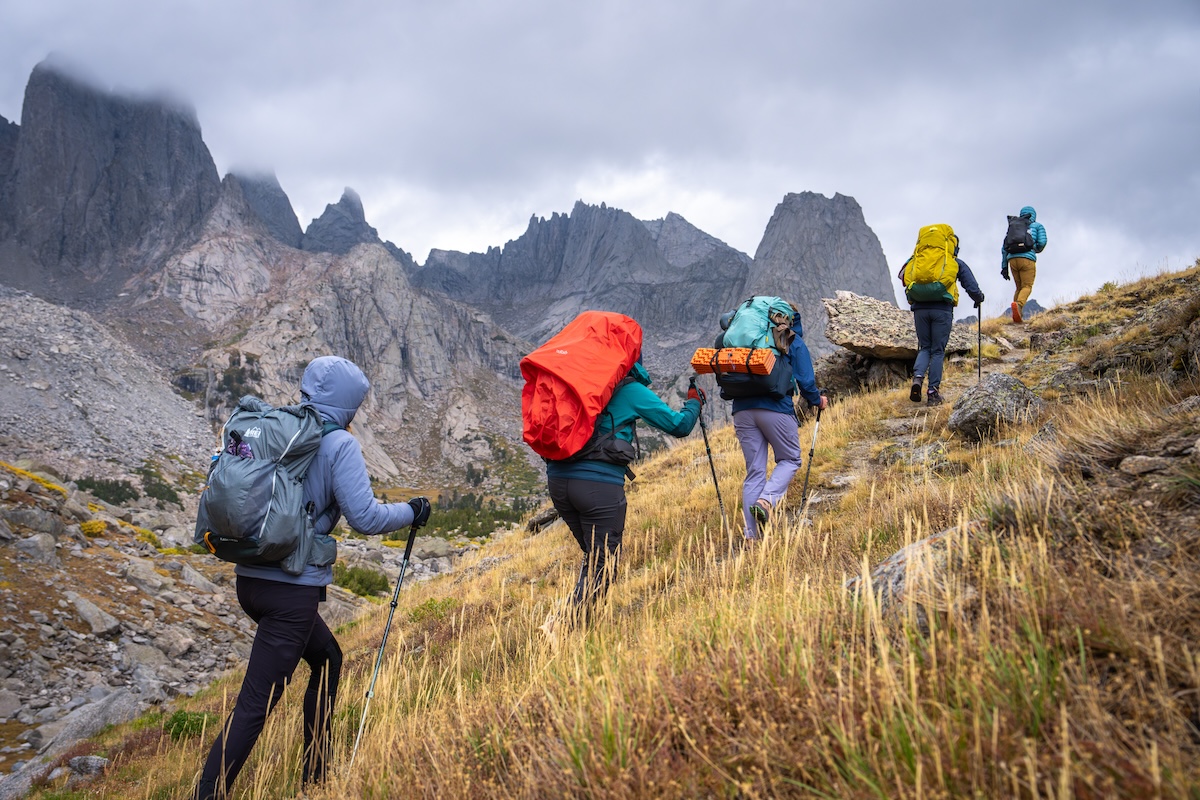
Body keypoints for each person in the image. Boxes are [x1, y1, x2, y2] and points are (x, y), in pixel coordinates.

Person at [192, 355, 432, 800]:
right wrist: (412, 510)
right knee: (256, 703)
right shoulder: (338, 443)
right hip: (290, 593)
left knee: (328, 658)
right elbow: (365, 517)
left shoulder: (282, 429)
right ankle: (207, 794)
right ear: (349, 403)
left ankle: (317, 775)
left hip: (251, 581)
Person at [546, 355, 702, 624]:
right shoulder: (629, 389)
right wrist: (694, 403)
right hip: (598, 486)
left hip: (558, 481)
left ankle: (572, 619)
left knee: (594, 556)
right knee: (603, 563)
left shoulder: (576, 382)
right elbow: (679, 426)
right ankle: (562, 627)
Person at [728, 305, 827, 543]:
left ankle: (751, 537)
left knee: (755, 472)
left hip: (742, 410)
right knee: (790, 459)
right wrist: (817, 400)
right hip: (776, 409)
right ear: (789, 319)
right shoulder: (790, 338)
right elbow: (805, 380)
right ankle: (766, 501)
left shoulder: (745, 339)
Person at [899, 226, 985, 406]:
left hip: (920, 309)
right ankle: (932, 393)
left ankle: (917, 379)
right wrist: (978, 298)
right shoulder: (953, 261)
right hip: (942, 309)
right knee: (937, 351)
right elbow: (970, 284)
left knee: (925, 347)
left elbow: (903, 276)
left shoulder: (916, 258)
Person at [1001, 205, 1048, 323]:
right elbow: (1042, 242)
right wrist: (1033, 248)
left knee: (1019, 287)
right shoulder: (1037, 226)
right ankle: (1019, 305)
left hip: (1012, 259)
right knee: (1027, 286)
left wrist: (1004, 267)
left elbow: (1004, 248)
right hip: (1027, 259)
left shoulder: (1013, 226)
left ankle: (1017, 315)